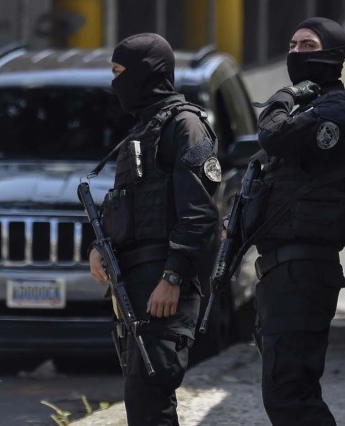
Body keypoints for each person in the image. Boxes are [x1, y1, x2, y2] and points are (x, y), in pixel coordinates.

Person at [247, 17, 345, 425]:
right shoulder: (310, 109)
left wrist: (282, 96)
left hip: (304, 270)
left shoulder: (338, 113)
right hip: (283, 270)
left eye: (308, 44)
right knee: (286, 390)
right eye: (292, 44)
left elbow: (275, 135)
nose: (296, 52)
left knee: (290, 396)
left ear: (333, 54)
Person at [88, 33, 220, 425]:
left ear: (146, 73)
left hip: (163, 280)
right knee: (142, 397)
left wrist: (173, 275)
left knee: (151, 392)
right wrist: (102, 245)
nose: (115, 83)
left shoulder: (185, 126)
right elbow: (129, 205)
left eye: (119, 72)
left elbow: (199, 214)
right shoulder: (143, 131)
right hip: (136, 281)